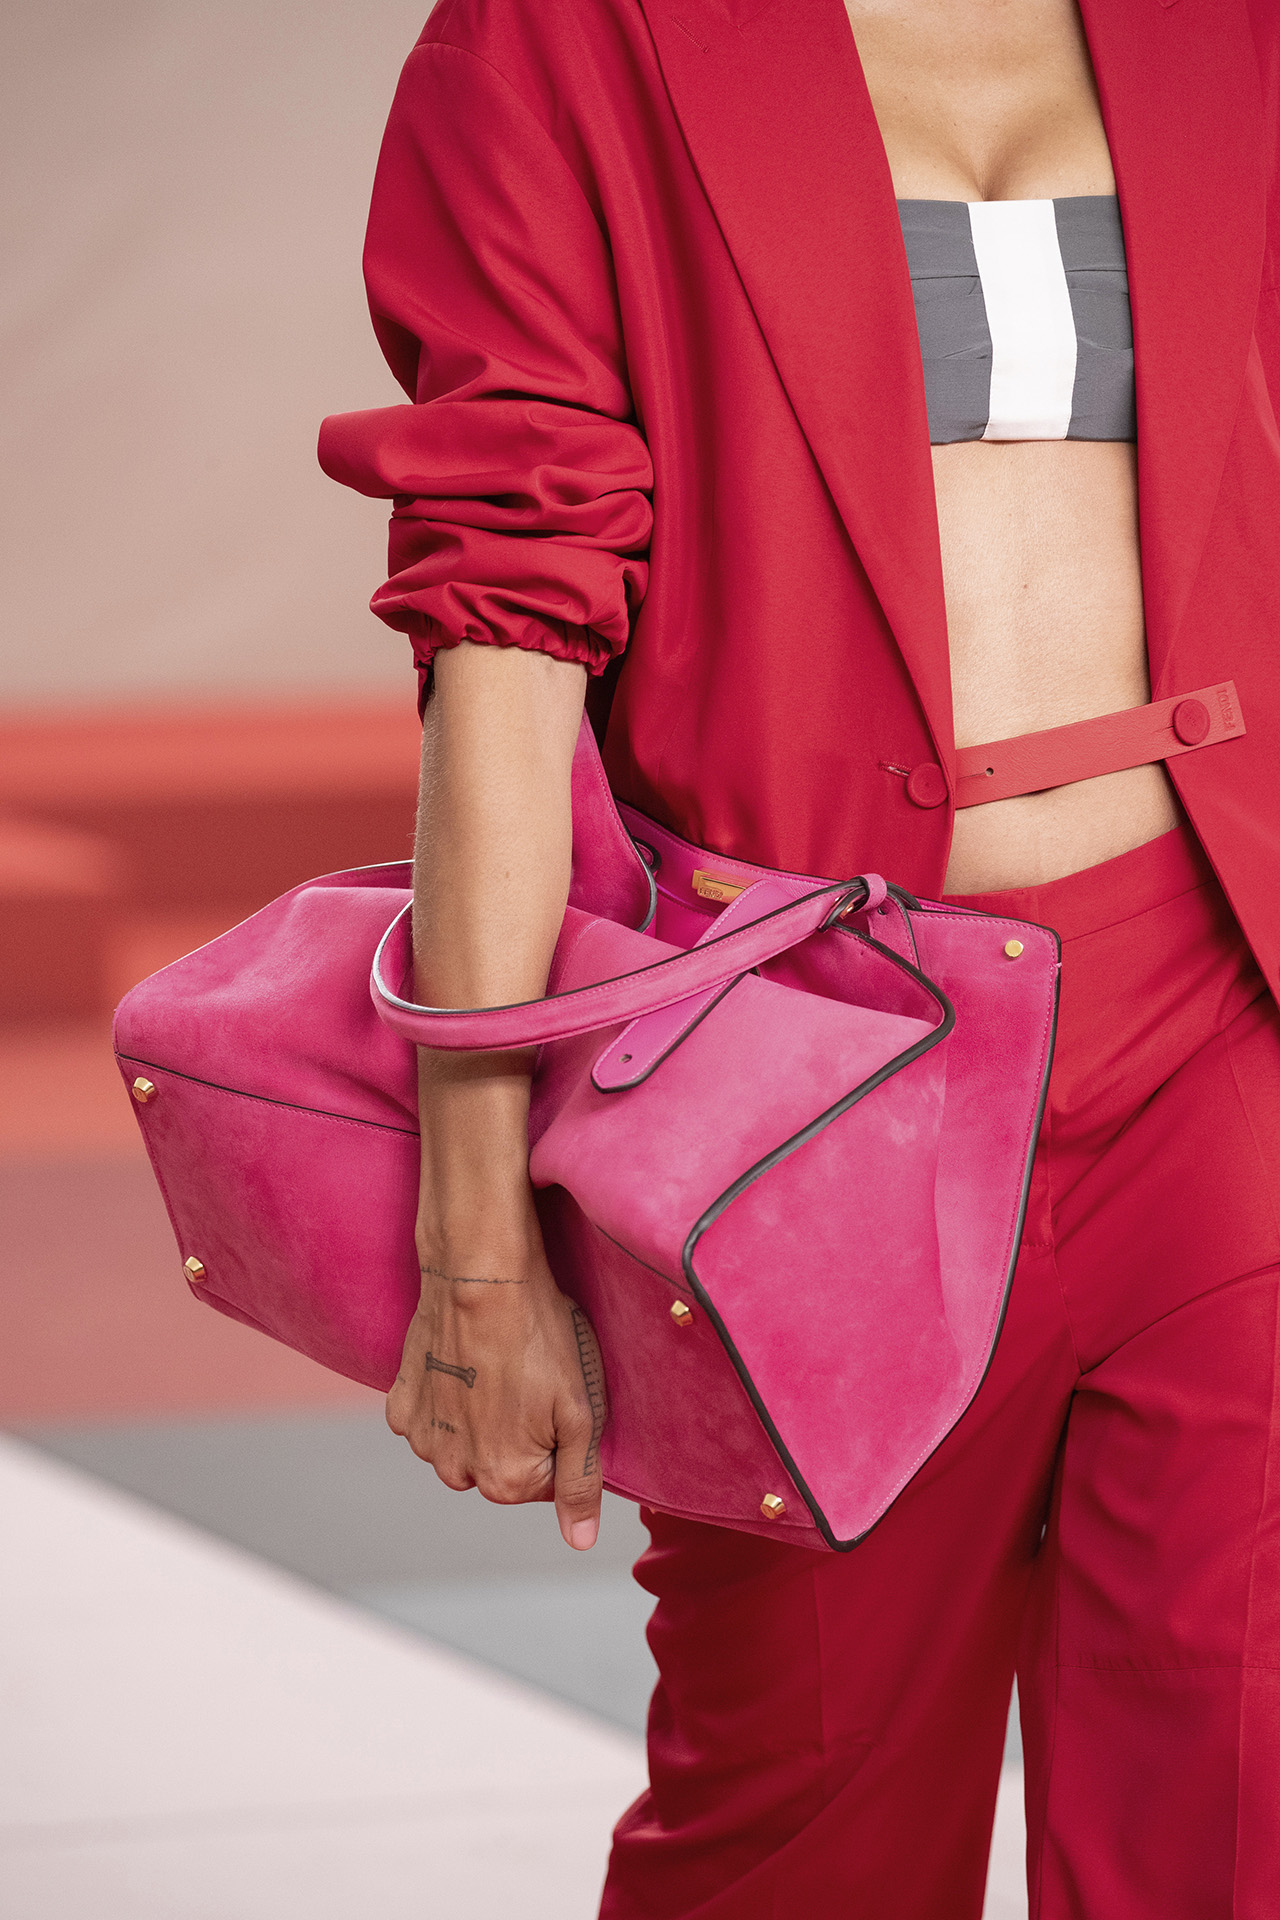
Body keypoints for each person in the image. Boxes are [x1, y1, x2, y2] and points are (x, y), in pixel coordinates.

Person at [319, 1, 1280, 1911]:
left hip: (1224, 1019)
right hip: (810, 1075)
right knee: (804, 1822)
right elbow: (504, 636)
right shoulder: (562, 46)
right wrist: (475, 1233)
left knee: (1241, 1798)